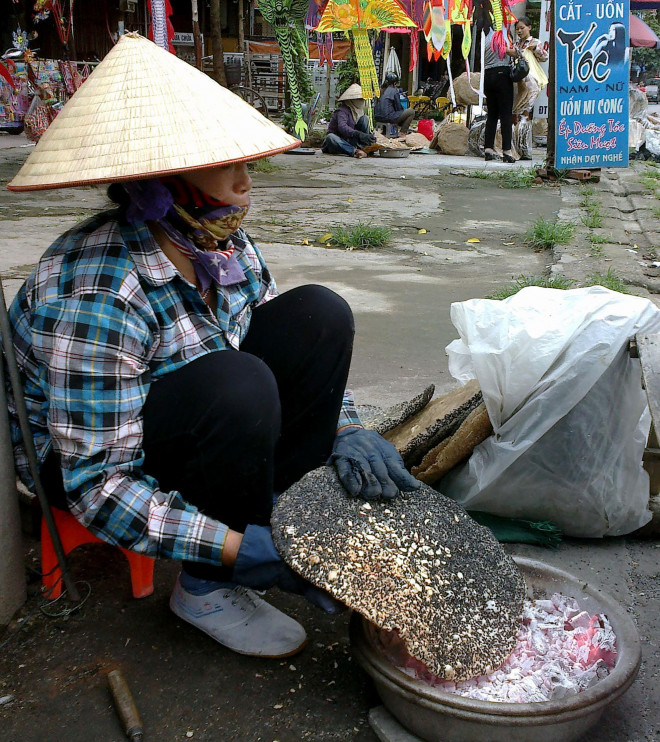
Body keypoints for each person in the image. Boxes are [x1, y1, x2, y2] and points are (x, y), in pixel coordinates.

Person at [5, 34, 419, 659]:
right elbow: (97, 484)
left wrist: (346, 430)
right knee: (239, 384)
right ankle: (205, 586)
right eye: (223, 165)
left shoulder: (222, 245)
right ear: (163, 184)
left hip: (196, 416)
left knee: (319, 314)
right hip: (88, 465)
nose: (245, 182)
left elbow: (273, 346)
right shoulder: (98, 288)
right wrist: (234, 549)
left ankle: (279, 509)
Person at [483, 28, 518, 163]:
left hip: (487, 76)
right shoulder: (503, 35)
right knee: (505, 115)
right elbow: (512, 53)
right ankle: (507, 151)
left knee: (492, 115)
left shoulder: (486, 35)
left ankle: (488, 149)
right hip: (502, 75)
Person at [321, 83, 376, 158]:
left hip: (351, 141)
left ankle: (366, 148)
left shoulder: (359, 111)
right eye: (359, 99)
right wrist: (358, 134)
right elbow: (342, 127)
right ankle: (355, 151)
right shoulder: (342, 111)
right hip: (339, 143)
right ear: (352, 100)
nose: (362, 101)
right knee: (330, 137)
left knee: (365, 119)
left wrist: (368, 137)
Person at [512, 16, 549, 120]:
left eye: (522, 28)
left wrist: (535, 49)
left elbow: (545, 57)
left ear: (529, 27)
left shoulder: (535, 42)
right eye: (517, 29)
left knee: (528, 101)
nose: (519, 31)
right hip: (518, 77)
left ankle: (525, 116)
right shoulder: (516, 45)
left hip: (530, 76)